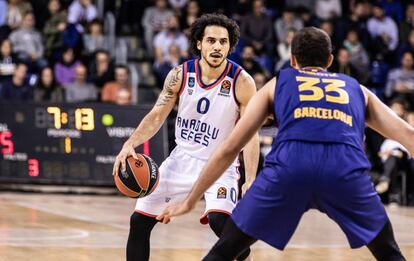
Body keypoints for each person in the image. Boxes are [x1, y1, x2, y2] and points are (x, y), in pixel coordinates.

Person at [157, 27, 412, 261]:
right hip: (344, 171)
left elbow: (229, 148)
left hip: (290, 169)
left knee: (224, 250)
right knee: (389, 253)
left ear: (292, 60)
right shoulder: (358, 89)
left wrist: (190, 201)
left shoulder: (277, 84)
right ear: (331, 61)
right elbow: (408, 136)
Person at [112, 13, 259, 261]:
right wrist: (130, 143)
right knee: (139, 221)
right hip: (182, 159)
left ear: (230, 46)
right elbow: (158, 114)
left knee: (220, 222)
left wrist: (250, 178)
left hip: (221, 165)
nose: (217, 47)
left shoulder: (242, 81)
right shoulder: (180, 75)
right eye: (211, 40)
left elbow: (250, 133)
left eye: (223, 42)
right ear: (199, 43)